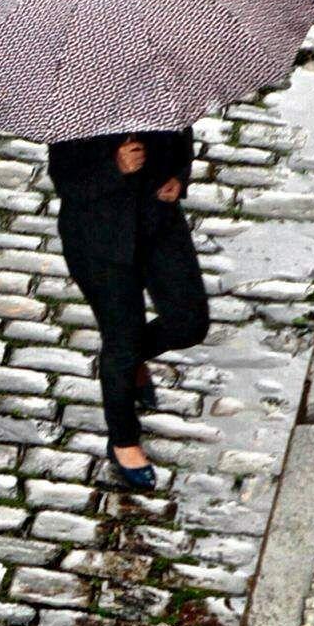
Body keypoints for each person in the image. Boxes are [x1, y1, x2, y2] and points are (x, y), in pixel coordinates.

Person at [45, 127, 209, 490]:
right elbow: (67, 182)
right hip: (99, 243)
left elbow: (181, 144)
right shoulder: (75, 109)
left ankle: (129, 361)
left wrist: (179, 179)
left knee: (189, 322)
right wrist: (114, 167)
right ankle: (124, 441)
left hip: (159, 225)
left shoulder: (158, 90)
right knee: (122, 340)